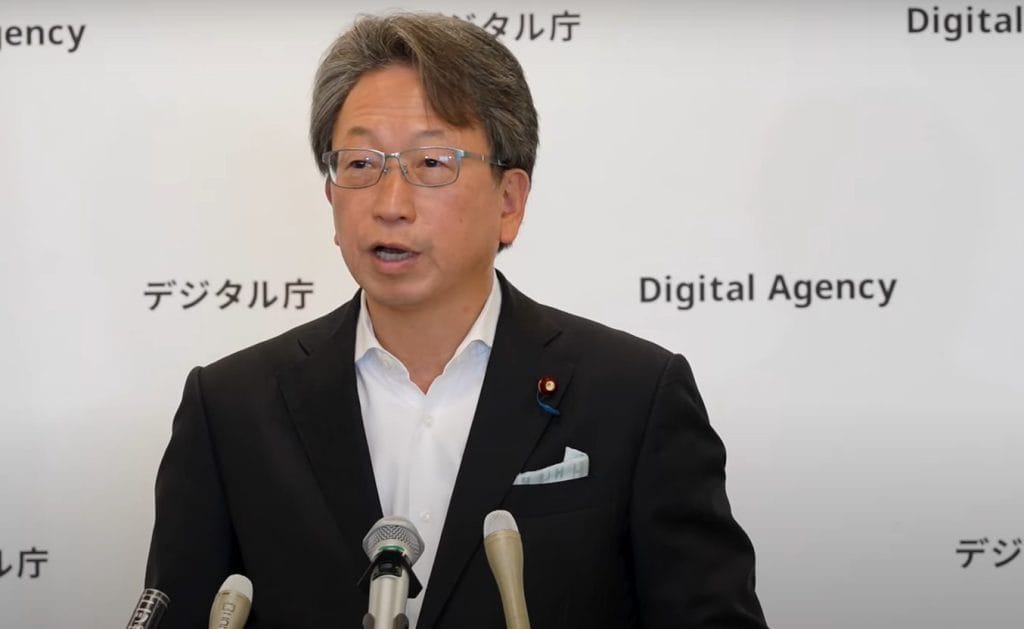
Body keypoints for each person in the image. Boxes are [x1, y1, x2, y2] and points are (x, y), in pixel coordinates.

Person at [145, 12, 769, 628]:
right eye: (360, 164)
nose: (391, 205)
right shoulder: (230, 409)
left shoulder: (634, 397)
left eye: (432, 163)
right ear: (331, 194)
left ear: (509, 201)